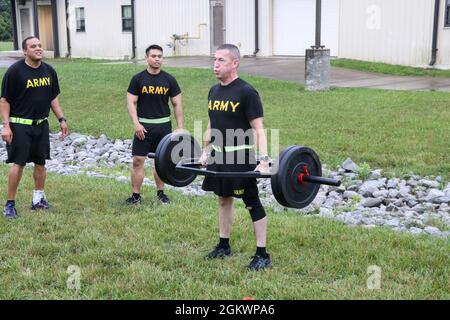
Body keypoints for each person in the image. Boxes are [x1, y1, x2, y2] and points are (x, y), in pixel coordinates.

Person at [200, 44, 272, 271]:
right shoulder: (214, 91)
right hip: (219, 157)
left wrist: (263, 160)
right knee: (223, 199)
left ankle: (262, 253)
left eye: (221, 60)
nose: (216, 64)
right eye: (215, 59)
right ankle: (224, 245)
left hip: (240, 157)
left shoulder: (246, 92)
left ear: (234, 63)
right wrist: (205, 150)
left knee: (252, 203)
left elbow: (259, 129)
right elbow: (212, 123)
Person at [0, 36, 69, 219]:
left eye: (40, 45)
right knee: (19, 163)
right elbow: (4, 100)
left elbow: (53, 98)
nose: (38, 48)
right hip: (20, 125)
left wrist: (61, 118)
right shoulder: (15, 72)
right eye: (33, 46)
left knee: (41, 163)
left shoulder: (49, 71)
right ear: (25, 51)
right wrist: (6, 126)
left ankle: (38, 200)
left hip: (41, 125)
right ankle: (10, 204)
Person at [126, 44, 183, 205]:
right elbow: (131, 102)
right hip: (143, 127)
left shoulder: (169, 79)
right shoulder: (138, 79)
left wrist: (179, 127)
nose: (157, 59)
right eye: (154, 56)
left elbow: (177, 104)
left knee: (161, 162)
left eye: (160, 56)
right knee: (138, 160)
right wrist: (136, 123)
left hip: (163, 126)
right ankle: (135, 196)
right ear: (146, 58)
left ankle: (161, 193)